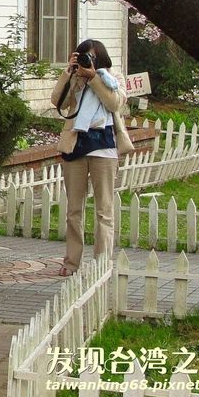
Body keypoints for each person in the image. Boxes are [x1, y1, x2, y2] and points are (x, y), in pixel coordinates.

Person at [51, 39, 134, 276]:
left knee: (104, 210)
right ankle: (71, 263)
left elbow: (114, 102)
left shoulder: (112, 75)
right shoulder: (74, 77)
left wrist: (94, 77)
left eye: (92, 57)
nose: (88, 61)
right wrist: (69, 74)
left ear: (102, 58)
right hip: (76, 144)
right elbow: (58, 102)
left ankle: (101, 264)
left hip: (104, 147)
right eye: (84, 56)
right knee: (74, 210)